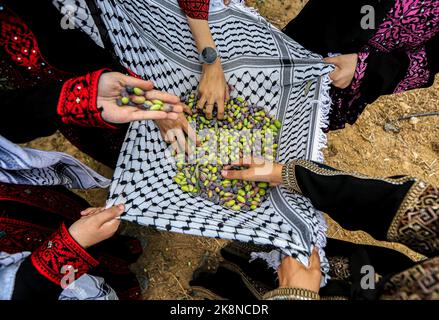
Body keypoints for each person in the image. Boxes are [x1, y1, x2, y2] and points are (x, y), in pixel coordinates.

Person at [189, 158, 438, 300]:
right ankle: (220, 275)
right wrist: (293, 176)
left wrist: (296, 296)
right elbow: (407, 207)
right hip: (372, 270)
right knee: (263, 263)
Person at [178, 0, 438, 130]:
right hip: (319, 30)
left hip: (361, 75)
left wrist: (366, 68)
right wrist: (211, 61)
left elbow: (429, 60)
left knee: (289, 129)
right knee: (266, 86)